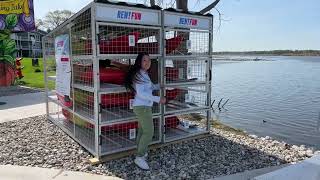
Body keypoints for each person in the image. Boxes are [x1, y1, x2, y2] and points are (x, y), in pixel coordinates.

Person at [124, 52, 166, 170]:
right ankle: (140, 157)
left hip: (143, 107)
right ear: (139, 62)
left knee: (143, 131)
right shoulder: (139, 75)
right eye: (144, 60)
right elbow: (142, 93)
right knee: (149, 132)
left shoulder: (143, 74)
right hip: (142, 107)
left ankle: (140, 151)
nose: (147, 63)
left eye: (149, 60)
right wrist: (158, 99)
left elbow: (150, 87)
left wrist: (159, 86)